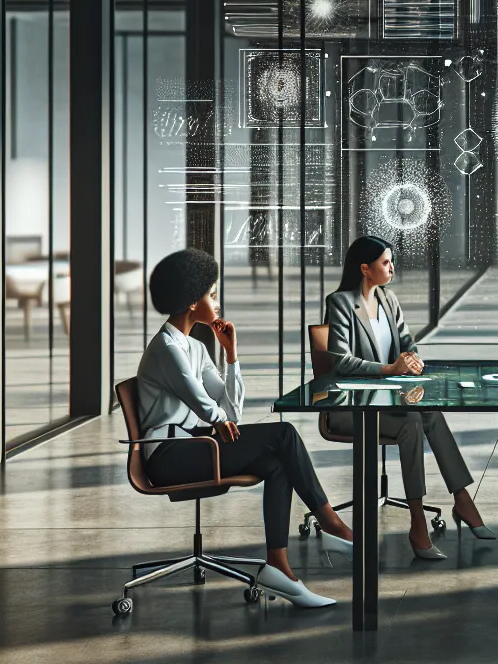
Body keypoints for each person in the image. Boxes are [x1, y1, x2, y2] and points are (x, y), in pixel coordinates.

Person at [138, 248, 352, 609]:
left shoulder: (194, 347)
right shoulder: (166, 348)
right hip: (167, 456)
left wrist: (232, 355)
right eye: (213, 294)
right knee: (283, 435)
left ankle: (279, 567)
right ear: (192, 300)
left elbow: (230, 411)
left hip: (197, 445)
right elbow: (203, 405)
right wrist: (219, 421)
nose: (218, 302)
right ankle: (329, 521)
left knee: (276, 463)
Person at [323, 235, 493, 561]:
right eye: (385, 262)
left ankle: (461, 497)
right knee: (412, 422)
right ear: (364, 268)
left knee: (428, 411)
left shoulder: (388, 299)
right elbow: (341, 362)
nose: (392, 267)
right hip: (352, 408)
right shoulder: (341, 303)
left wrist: (412, 359)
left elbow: (407, 342)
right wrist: (389, 368)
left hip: (390, 401)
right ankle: (418, 523)